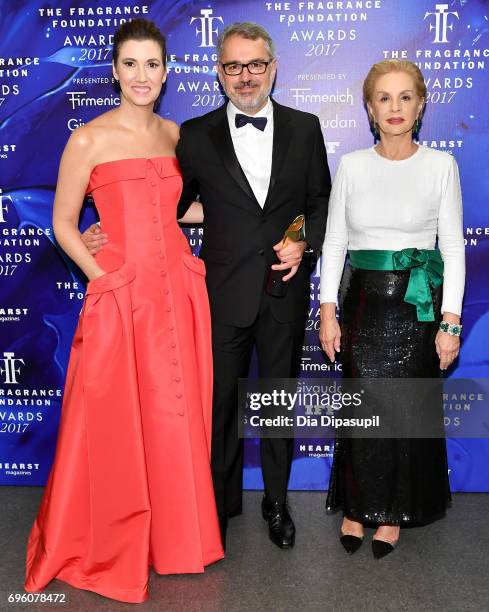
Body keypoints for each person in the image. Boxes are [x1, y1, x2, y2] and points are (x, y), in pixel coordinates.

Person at [84, 21, 331, 549]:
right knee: (217, 410)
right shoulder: (193, 135)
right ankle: (218, 507)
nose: (246, 76)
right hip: (219, 293)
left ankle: (277, 502)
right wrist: (107, 228)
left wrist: (303, 241)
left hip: (284, 292)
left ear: (273, 67)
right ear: (219, 72)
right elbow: (166, 204)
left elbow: (320, 203)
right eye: (234, 66)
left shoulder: (306, 128)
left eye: (256, 64)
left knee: (277, 405)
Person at [25, 19, 223, 604]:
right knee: (113, 422)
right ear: (114, 70)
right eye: (130, 64)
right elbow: (63, 222)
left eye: (153, 65)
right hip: (122, 293)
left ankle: (177, 541)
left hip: (179, 293)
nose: (142, 76)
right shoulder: (88, 138)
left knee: (174, 417)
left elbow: (184, 209)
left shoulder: (176, 135)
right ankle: (111, 544)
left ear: (167, 71)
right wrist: (101, 273)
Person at [319, 59, 465, 558]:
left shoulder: (441, 165)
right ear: (369, 108)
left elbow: (453, 248)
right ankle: (358, 509)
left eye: (405, 97)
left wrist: (450, 321)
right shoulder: (353, 166)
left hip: (417, 307)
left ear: (421, 105)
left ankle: (393, 513)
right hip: (362, 306)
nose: (395, 107)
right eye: (384, 98)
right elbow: (335, 240)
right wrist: (327, 309)